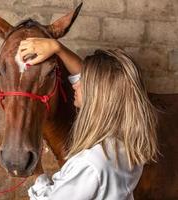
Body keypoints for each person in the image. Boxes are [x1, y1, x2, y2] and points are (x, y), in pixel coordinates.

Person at [17, 38, 159, 200]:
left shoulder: (89, 164)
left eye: (83, 81)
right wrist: (57, 48)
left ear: (98, 95)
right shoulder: (127, 144)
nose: (74, 84)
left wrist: (38, 173)